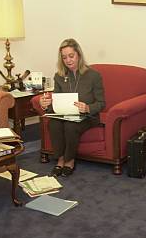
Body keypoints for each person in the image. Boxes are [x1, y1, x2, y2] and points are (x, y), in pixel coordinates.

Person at [39, 38, 105, 177]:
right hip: (65, 114)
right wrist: (46, 104)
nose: (68, 60)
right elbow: (56, 101)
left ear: (79, 55)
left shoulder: (93, 75)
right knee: (54, 124)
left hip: (87, 116)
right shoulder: (59, 76)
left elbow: (101, 103)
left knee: (70, 126)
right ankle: (61, 159)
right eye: (64, 57)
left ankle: (69, 160)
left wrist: (87, 108)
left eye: (71, 56)